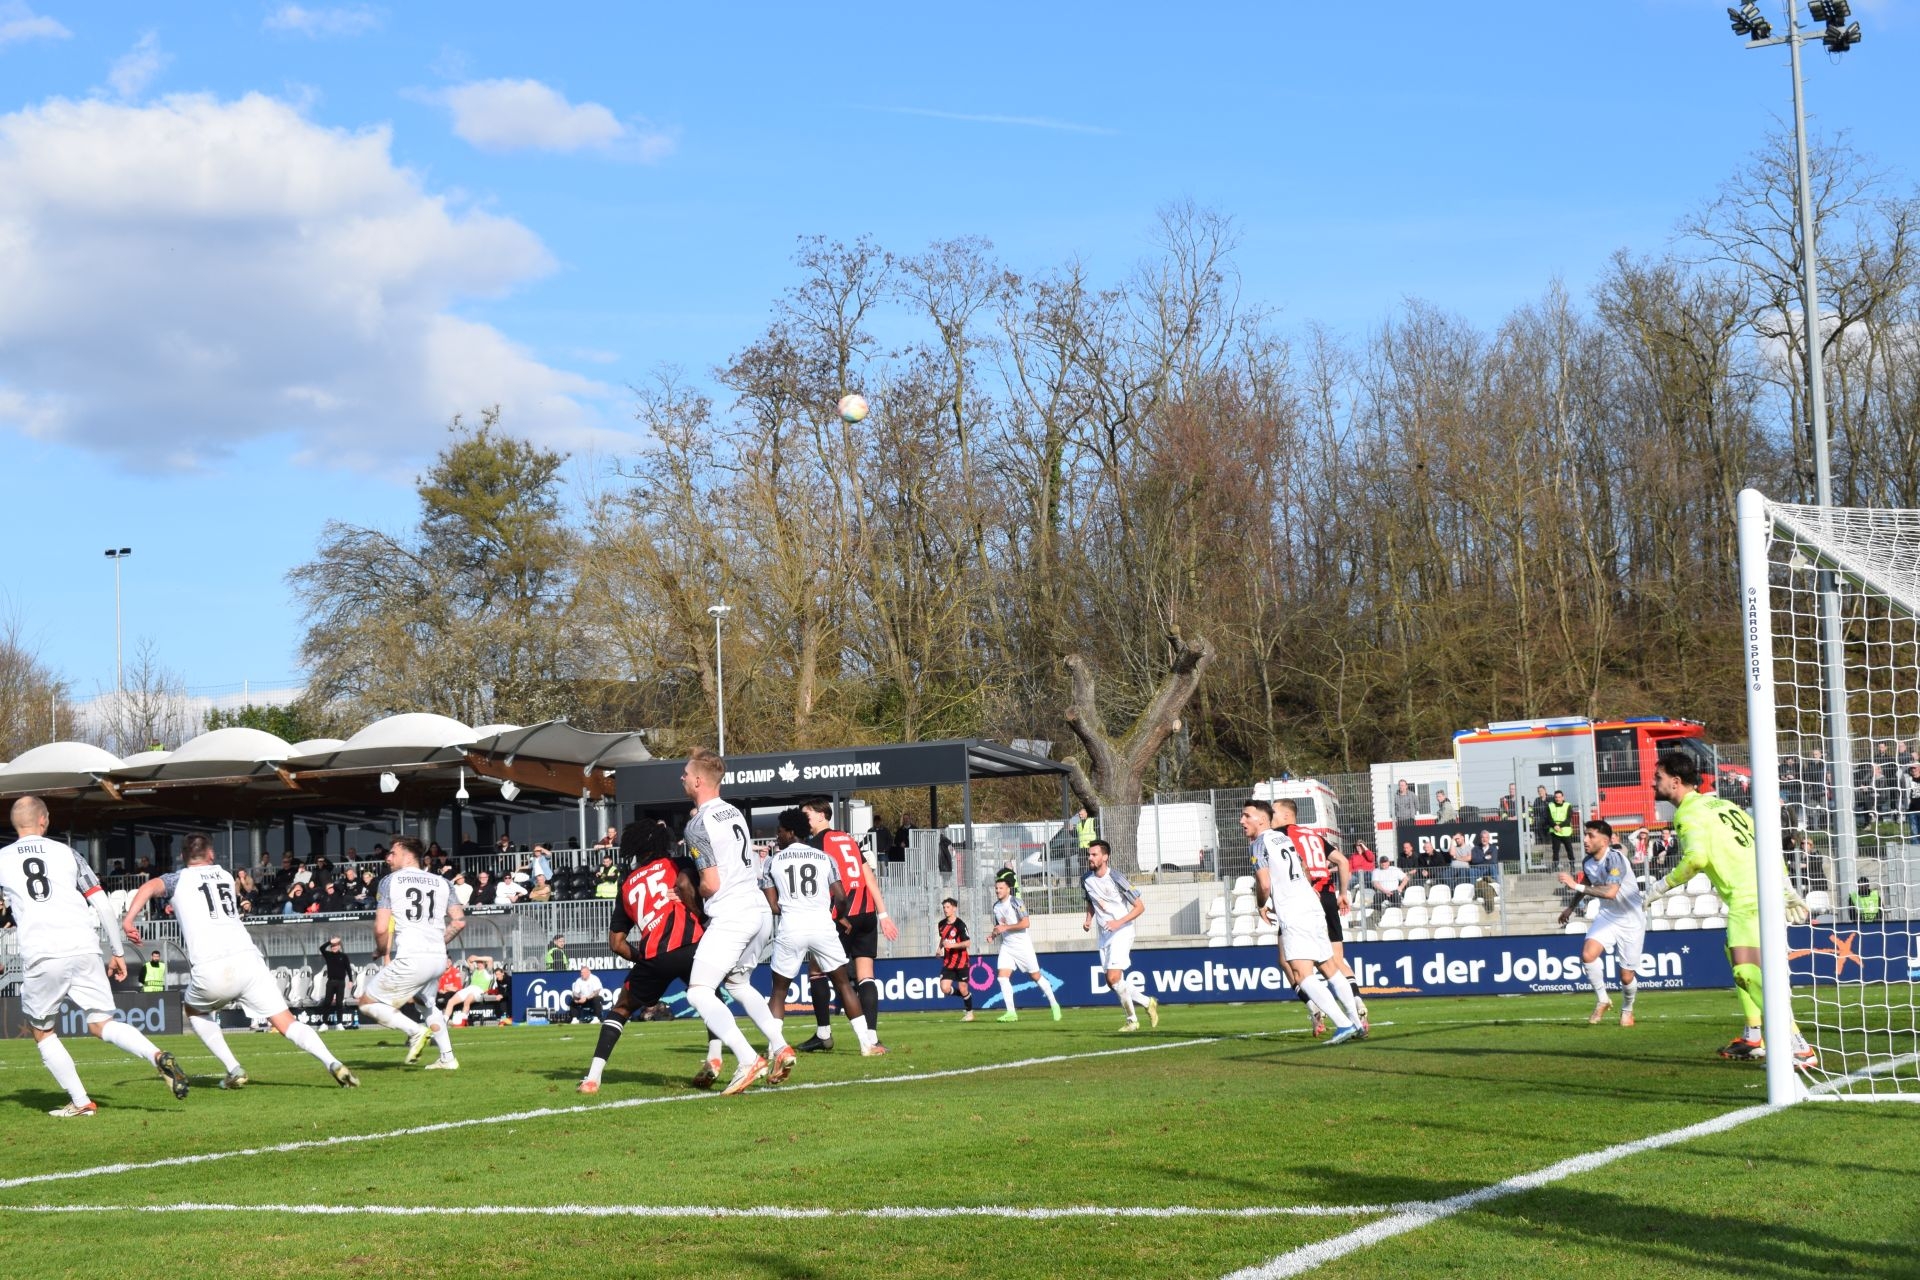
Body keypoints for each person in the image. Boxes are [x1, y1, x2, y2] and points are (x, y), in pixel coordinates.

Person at [1, 796, 190, 1115]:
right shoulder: (68, 853)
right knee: (102, 1022)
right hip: (84, 947)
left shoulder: (3, 858)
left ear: (15, 823)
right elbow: (101, 904)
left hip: (43, 953)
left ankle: (81, 1102)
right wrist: (117, 951)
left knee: (43, 1030)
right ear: (44, 820)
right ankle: (156, 1056)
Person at [121, 834, 358, 1089]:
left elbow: (147, 887)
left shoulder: (177, 879)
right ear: (211, 855)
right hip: (248, 960)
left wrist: (129, 919)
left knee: (193, 1010)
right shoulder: (224, 874)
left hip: (212, 966)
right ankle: (331, 1062)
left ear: (183, 856)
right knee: (287, 1022)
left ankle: (233, 1068)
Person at [1644, 751, 1815, 1066]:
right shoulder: (1723, 804)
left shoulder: (1688, 814)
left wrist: (1657, 888)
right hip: (1765, 892)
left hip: (1747, 900)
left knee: (1747, 970)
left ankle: (1794, 1041)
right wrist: (1787, 889)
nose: (1653, 782)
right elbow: (1764, 842)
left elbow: (1695, 860)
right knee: (1733, 954)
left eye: (1658, 777)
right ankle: (1753, 1035)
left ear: (1675, 781)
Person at [681, 747, 788, 1097]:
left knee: (698, 992)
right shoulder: (734, 812)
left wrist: (684, 893)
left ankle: (747, 1058)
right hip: (758, 909)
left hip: (733, 913)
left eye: (685, 773)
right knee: (739, 983)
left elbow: (710, 883)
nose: (681, 778)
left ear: (698, 781)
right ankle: (780, 1046)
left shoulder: (698, 823)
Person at [578, 822, 706, 1094]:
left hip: (654, 955)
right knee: (710, 998)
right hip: (693, 943)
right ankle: (716, 1059)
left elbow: (616, 943)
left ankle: (592, 1078)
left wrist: (643, 958)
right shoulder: (678, 863)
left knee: (622, 1008)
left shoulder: (627, 885)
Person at [759, 808, 882, 1065]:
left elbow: (773, 906)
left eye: (780, 830)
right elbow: (840, 896)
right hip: (823, 927)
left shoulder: (773, 861)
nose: (777, 835)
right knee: (843, 984)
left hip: (792, 927)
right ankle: (866, 1043)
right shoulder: (824, 858)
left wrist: (794, 906)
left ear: (791, 832)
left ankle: (774, 1050)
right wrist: (838, 915)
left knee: (779, 991)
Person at [1241, 799, 1362, 1046]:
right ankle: (1357, 1023)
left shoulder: (1259, 844)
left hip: (1294, 910)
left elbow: (1264, 883)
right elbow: (1305, 868)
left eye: (1246, 816)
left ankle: (1343, 1024)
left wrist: (1261, 904)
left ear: (1262, 819)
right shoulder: (1284, 839)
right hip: (1312, 904)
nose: (1242, 821)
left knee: (1301, 972)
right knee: (1328, 966)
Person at [795, 797, 898, 1053]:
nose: (803, 820)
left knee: (817, 970)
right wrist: (884, 916)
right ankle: (872, 1036)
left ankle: (824, 1034)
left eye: (806, 814)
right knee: (866, 975)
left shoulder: (816, 844)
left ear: (821, 815)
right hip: (867, 912)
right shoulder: (849, 839)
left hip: (843, 914)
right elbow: (869, 879)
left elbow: (823, 884)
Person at [357, 835, 467, 1070]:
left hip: (412, 956)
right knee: (425, 1005)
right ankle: (448, 1058)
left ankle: (415, 1032)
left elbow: (380, 927)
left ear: (407, 855)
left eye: (392, 853)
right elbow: (458, 922)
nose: (388, 858)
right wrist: (440, 940)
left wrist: (380, 949)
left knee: (366, 1002)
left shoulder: (389, 881)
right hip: (438, 958)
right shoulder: (443, 883)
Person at [1276, 798, 1366, 1036]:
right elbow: (1343, 862)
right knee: (1335, 961)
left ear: (1286, 816)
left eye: (1273, 812)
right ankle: (1356, 1006)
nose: (1270, 816)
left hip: (1306, 898)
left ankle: (1316, 1008)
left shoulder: (1282, 837)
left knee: (1290, 964)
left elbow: (1300, 867)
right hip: (1328, 896)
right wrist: (1343, 893)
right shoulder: (1314, 835)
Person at [1556, 819, 1645, 1027]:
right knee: (1588, 954)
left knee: (1626, 976)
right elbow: (1587, 883)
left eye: (1590, 835)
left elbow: (1611, 892)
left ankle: (1627, 1010)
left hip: (1631, 920)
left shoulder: (1615, 859)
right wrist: (1570, 907)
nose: (1585, 839)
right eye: (1585, 835)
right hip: (1608, 916)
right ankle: (1603, 999)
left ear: (1604, 841)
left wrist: (1574, 885)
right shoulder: (1588, 861)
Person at [1081, 839, 1160, 1032]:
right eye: (1089, 854)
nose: (1090, 858)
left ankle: (1132, 1020)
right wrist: (1088, 919)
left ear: (1105, 857)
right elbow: (1091, 900)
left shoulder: (1116, 878)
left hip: (1122, 931)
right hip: (1104, 935)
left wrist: (1118, 922)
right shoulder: (1086, 879)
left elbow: (1140, 906)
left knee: (1114, 977)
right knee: (1111, 982)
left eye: (1094, 854)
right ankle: (1147, 1002)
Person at [987, 869, 1060, 1022]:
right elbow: (1000, 926)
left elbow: (1026, 923)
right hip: (1007, 947)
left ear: (1008, 888)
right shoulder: (996, 906)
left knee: (1035, 976)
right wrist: (993, 935)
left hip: (1022, 946)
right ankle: (1011, 1013)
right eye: (996, 888)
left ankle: (1054, 1005)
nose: (998, 891)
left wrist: (1006, 928)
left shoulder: (1016, 902)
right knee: (1002, 977)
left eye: (1001, 888)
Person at [936, 897, 974, 1020]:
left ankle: (969, 1013)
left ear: (954, 909)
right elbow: (943, 938)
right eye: (944, 907)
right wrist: (939, 948)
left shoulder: (960, 925)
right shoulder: (941, 924)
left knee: (963, 988)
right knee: (944, 988)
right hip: (948, 962)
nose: (945, 910)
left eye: (948, 907)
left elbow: (967, 943)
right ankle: (966, 996)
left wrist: (952, 945)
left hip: (961, 961)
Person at [443, 956, 495, 1027]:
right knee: (451, 1001)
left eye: (481, 963)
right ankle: (444, 1021)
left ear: (484, 964)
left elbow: (490, 959)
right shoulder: (474, 971)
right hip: (469, 988)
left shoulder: (488, 972)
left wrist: (477, 959)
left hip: (479, 991)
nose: (479, 964)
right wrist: (475, 960)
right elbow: (469, 959)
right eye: (478, 963)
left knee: (467, 1000)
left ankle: (463, 1021)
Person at [317, 936, 351, 1025]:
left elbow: (348, 969)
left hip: (341, 982)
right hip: (331, 982)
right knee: (327, 1002)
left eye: (335, 946)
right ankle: (324, 1023)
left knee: (339, 1003)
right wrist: (330, 941)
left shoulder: (344, 956)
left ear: (339, 946)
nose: (334, 948)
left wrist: (351, 980)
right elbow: (321, 948)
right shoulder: (328, 955)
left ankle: (339, 1024)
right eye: (332, 946)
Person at [1545, 790, 1577, 870]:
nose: (1557, 799)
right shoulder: (1550, 805)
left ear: (1563, 797)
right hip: (1555, 831)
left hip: (1565, 830)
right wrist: (1554, 825)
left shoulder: (1568, 805)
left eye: (1559, 797)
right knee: (1555, 850)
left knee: (1569, 849)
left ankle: (1572, 865)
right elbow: (1549, 818)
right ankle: (1555, 865)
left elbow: (1568, 819)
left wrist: (1559, 826)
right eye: (1556, 797)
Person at [1531, 785, 1551, 849]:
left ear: (1545, 790)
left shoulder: (1551, 798)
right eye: (1539, 791)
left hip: (1549, 820)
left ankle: (1549, 845)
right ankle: (1543, 845)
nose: (1540, 792)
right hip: (1540, 821)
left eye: (1541, 791)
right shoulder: (1537, 800)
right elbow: (1534, 811)